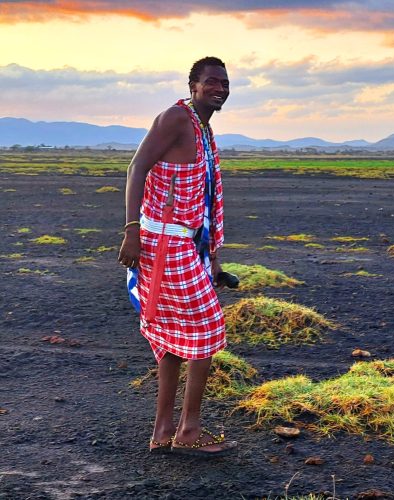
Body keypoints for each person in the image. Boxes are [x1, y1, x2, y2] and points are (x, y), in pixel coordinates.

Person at [118, 56, 237, 457]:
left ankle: (162, 431)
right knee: (205, 330)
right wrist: (131, 231)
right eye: (211, 82)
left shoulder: (203, 128)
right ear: (193, 85)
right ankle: (188, 429)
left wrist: (213, 261)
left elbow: (199, 199)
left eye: (224, 83)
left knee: (172, 338)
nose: (219, 88)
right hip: (162, 243)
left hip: (185, 244)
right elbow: (137, 168)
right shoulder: (175, 119)